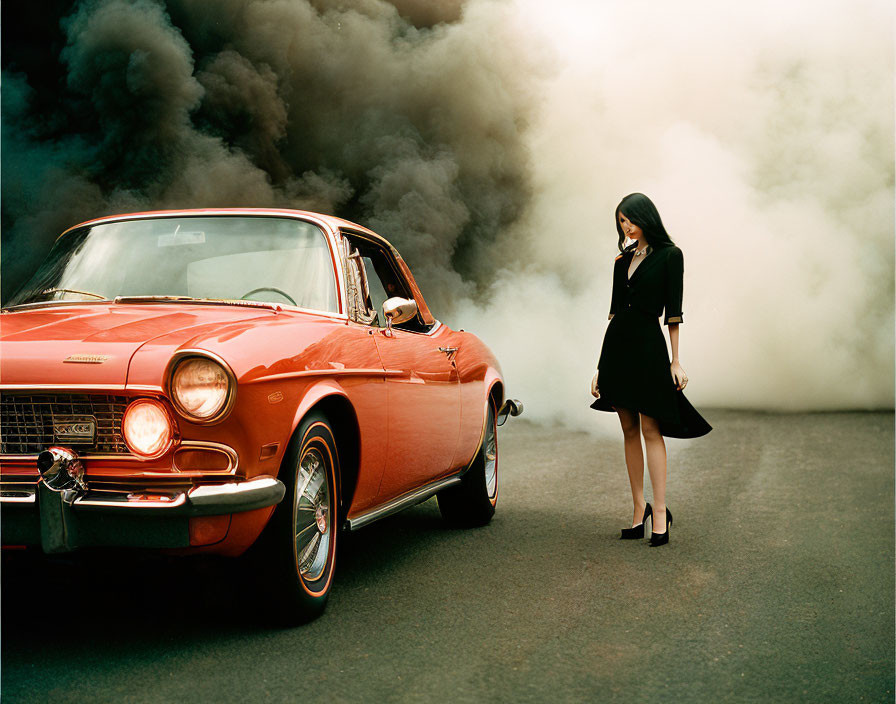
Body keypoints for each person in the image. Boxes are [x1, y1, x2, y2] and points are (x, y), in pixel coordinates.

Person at [590, 193, 712, 547]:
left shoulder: (671, 256)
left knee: (650, 427)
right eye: (621, 222)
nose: (626, 227)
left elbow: (673, 313)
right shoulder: (620, 260)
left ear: (646, 219)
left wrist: (675, 360)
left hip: (648, 345)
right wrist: (600, 367)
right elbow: (613, 314)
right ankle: (636, 509)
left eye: (630, 220)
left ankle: (660, 512)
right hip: (618, 348)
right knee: (628, 428)